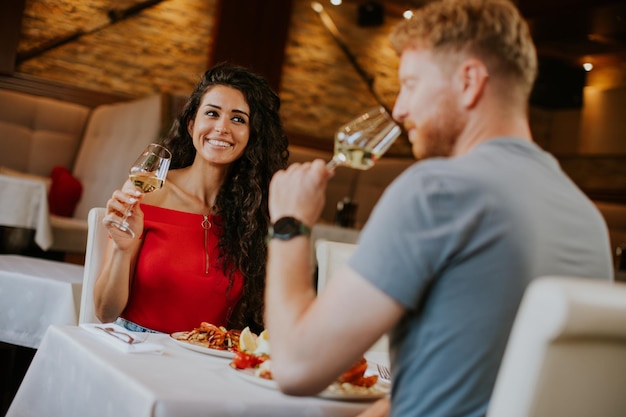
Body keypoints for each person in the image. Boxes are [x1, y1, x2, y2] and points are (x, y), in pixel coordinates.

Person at [264, 0, 614, 416]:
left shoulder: (437, 191)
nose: (399, 108)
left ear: (469, 82)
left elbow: (294, 366)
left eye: (410, 84)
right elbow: (464, 386)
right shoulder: (590, 221)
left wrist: (289, 224)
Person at [94, 63, 289, 334]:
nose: (222, 127)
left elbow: (269, 317)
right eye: (212, 113)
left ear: (252, 136)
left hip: (210, 359)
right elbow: (105, 312)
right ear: (191, 124)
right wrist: (121, 249)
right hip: (137, 349)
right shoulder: (149, 192)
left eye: (238, 119)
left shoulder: (255, 213)